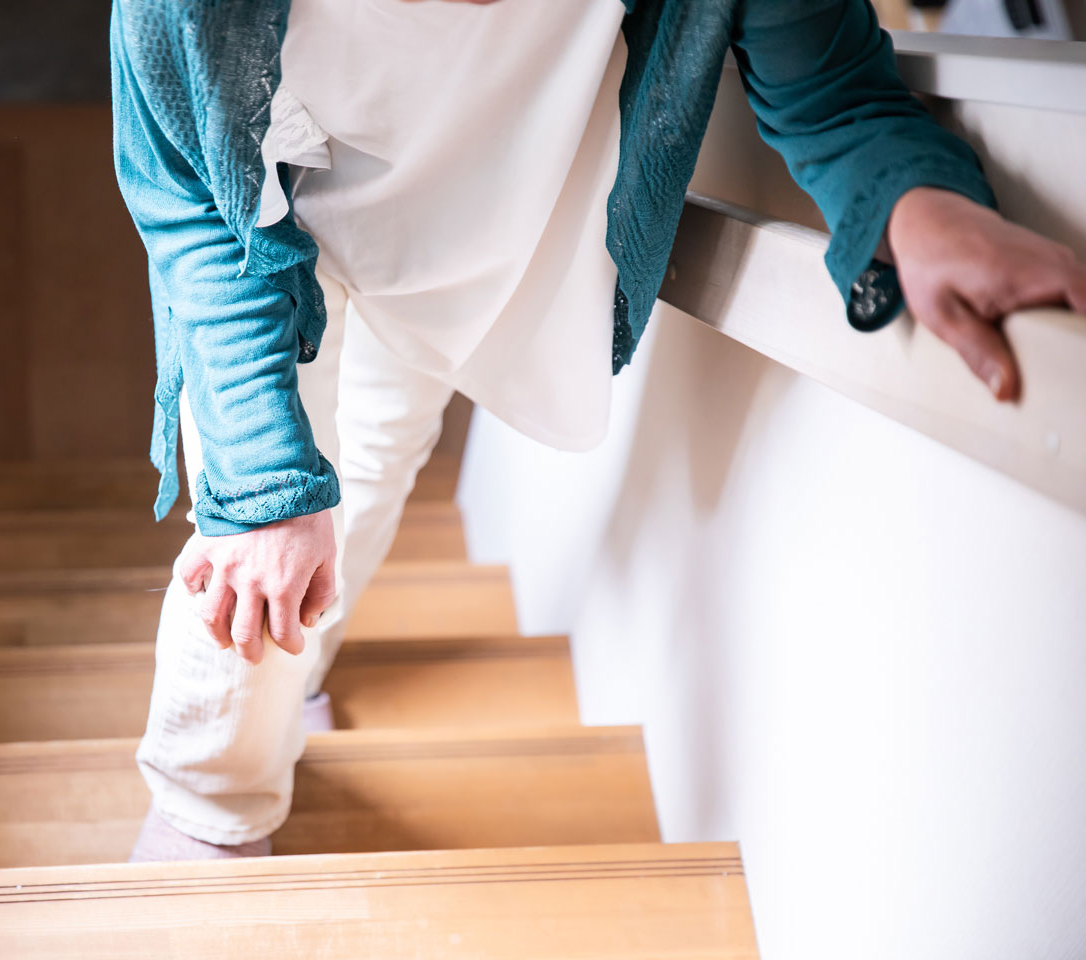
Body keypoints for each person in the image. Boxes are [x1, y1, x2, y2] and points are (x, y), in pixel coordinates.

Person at [109, 0, 1086, 862]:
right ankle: (210, 810)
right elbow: (186, 192)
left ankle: (302, 668)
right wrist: (268, 493)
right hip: (253, 203)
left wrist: (920, 204)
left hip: (458, 227)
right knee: (260, 500)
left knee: (375, 452)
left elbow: (830, 83)